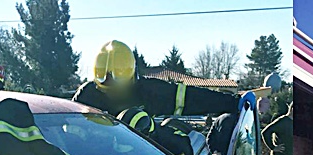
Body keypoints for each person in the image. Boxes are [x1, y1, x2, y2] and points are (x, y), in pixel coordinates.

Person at [73, 40, 238, 118]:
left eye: (118, 91)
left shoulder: (152, 91)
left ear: (131, 78)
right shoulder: (87, 95)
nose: (113, 96)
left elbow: (194, 98)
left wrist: (235, 102)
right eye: (106, 90)